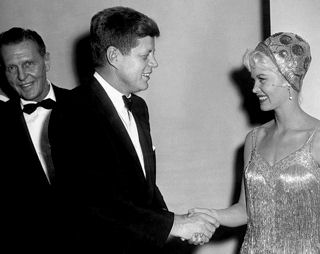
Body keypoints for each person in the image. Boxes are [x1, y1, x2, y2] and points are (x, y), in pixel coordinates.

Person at [49, 6, 219, 254]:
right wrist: (172, 225)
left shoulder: (138, 107)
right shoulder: (74, 110)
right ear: (114, 56)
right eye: (145, 55)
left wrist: (176, 221)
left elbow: (142, 188)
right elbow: (93, 203)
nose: (155, 63)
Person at [189, 32, 320, 252]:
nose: (254, 89)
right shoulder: (254, 139)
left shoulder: (317, 138)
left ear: (287, 80)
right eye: (254, 79)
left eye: (262, 79)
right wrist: (210, 216)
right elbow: (246, 210)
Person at [0, 27, 70, 251]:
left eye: (28, 64)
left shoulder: (86, 106)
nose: (21, 76)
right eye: (12, 68)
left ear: (46, 61)